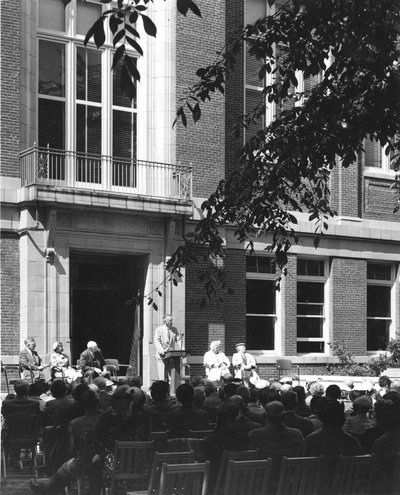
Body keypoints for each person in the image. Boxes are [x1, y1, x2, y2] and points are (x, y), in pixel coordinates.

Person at [154, 314, 182, 381]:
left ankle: (171, 388)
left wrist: (182, 349)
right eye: (170, 320)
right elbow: (157, 341)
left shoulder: (174, 329)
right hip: (162, 355)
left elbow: (178, 340)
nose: (171, 322)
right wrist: (161, 351)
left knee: (171, 375)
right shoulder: (159, 329)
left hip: (171, 355)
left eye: (172, 320)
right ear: (165, 320)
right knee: (162, 375)